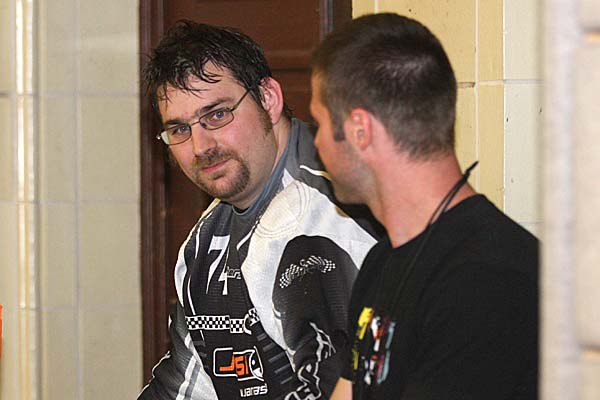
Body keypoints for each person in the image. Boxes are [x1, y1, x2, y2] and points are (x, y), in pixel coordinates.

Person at [138, 20, 378, 400]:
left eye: (217, 115)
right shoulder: (203, 246)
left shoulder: (327, 214)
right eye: (180, 129)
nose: (201, 146)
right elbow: (181, 391)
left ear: (268, 98)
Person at [309, 13, 539, 400]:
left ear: (360, 131)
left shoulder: (488, 281)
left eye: (318, 124)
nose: (316, 144)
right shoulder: (383, 260)